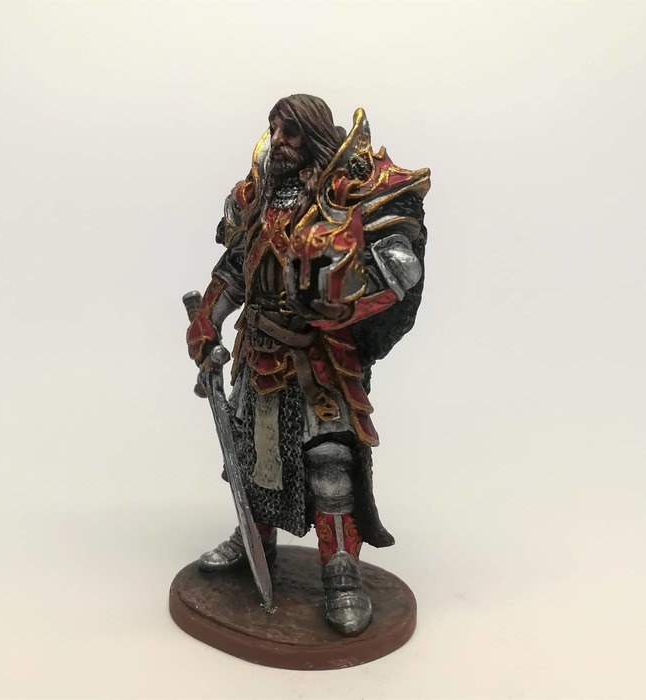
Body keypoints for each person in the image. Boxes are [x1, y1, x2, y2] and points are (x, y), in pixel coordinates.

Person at [186, 94, 430, 636]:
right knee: (253, 452)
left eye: (290, 131)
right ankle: (254, 540)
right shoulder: (257, 198)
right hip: (258, 351)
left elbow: (399, 269)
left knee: (329, 463)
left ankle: (341, 572)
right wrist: (206, 321)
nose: (278, 141)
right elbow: (234, 269)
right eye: (274, 129)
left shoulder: (344, 196)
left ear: (314, 135)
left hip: (319, 357)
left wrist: (345, 297)